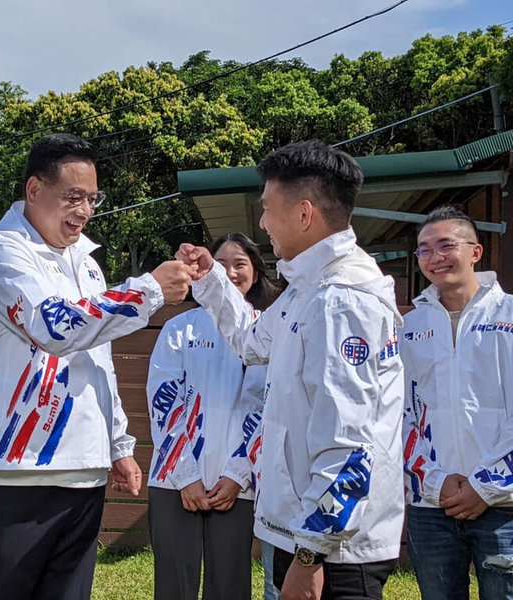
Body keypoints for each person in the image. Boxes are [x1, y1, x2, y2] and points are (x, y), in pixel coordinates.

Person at [0, 133, 194, 600]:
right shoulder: (3, 251)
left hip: (83, 470)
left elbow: (98, 360)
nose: (85, 211)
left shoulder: (86, 262)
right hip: (18, 470)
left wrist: (118, 444)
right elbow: (54, 328)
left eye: (92, 198)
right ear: (33, 190)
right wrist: (147, 290)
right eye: (73, 197)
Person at [176, 140, 405, 600]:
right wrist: (212, 281)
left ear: (304, 214)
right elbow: (253, 341)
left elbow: (348, 445)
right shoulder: (309, 290)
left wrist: (309, 557)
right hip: (307, 537)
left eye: (266, 209)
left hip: (333, 555)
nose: (261, 222)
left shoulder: (340, 301)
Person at [147, 232, 284, 600]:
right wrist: (186, 476)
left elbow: (265, 407)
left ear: (256, 271)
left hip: (236, 486)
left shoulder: (265, 331)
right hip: (173, 482)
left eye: (240, 264)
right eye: (220, 265)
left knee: (230, 586)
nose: (229, 273)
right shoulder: (180, 328)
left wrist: (237, 476)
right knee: (174, 585)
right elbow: (164, 405)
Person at [400, 205, 513, 600]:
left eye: (446, 245)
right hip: (432, 502)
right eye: (424, 250)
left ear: (475, 252)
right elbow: (400, 415)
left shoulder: (510, 316)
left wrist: (486, 486)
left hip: (504, 504)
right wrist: (434, 479)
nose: (435, 258)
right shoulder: (409, 327)